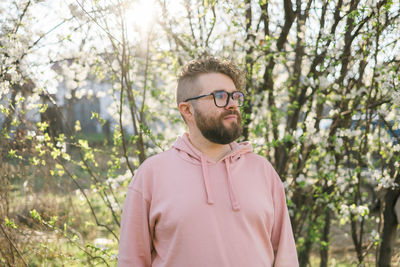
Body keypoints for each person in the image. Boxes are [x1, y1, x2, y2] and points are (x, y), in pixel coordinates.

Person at [118, 57, 299, 267]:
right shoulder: (152, 175)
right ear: (187, 110)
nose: (232, 104)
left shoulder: (263, 171)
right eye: (220, 96)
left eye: (235, 96)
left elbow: (285, 257)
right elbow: (132, 261)